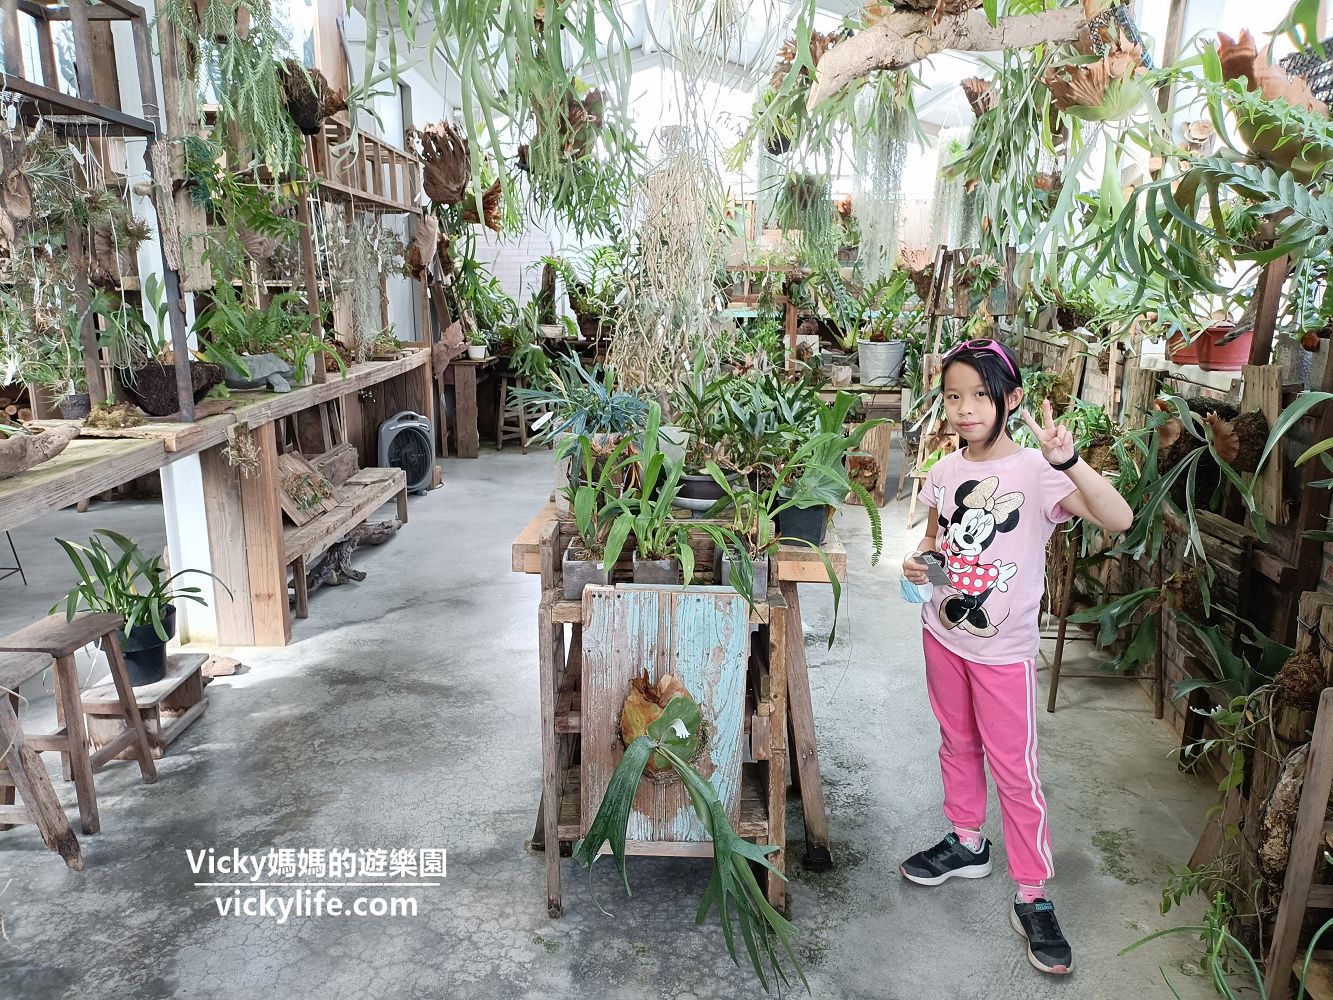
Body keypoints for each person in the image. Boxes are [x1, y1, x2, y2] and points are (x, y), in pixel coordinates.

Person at [899, 338, 1133, 976]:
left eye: (980, 395)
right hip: (943, 635)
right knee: (955, 742)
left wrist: (1072, 459)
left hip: (1003, 654)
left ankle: (1033, 893)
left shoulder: (1037, 472)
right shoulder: (946, 471)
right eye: (953, 396)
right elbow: (931, 545)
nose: (965, 409)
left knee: (1016, 771)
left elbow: (1120, 518)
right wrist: (918, 566)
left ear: (1011, 399)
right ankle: (967, 842)